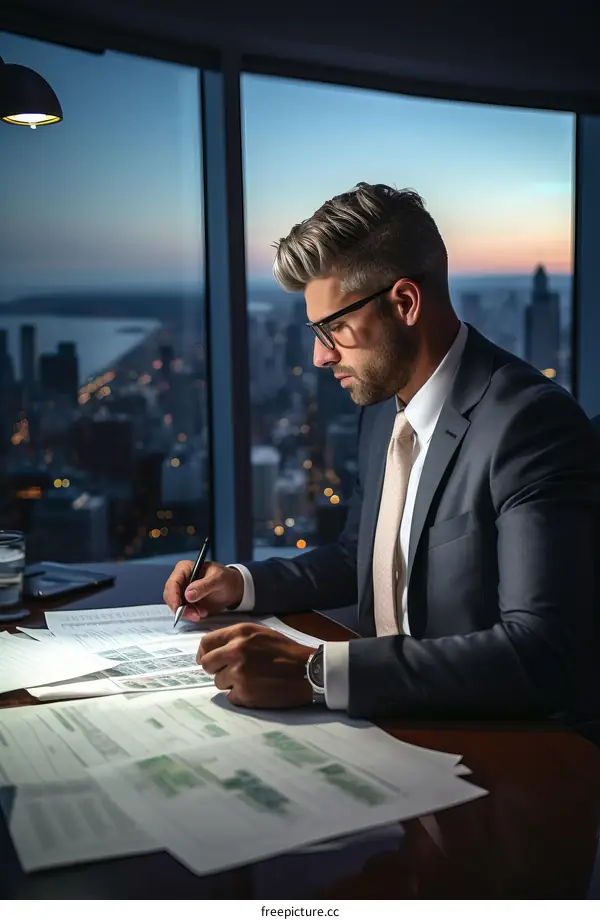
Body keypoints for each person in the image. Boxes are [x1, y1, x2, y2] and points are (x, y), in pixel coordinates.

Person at [164, 182, 600, 722]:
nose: (321, 357)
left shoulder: (530, 423)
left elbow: (542, 653)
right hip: (383, 730)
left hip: (496, 751)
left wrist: (318, 672)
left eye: (337, 329)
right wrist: (240, 584)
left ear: (405, 303)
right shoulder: (380, 405)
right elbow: (362, 555)